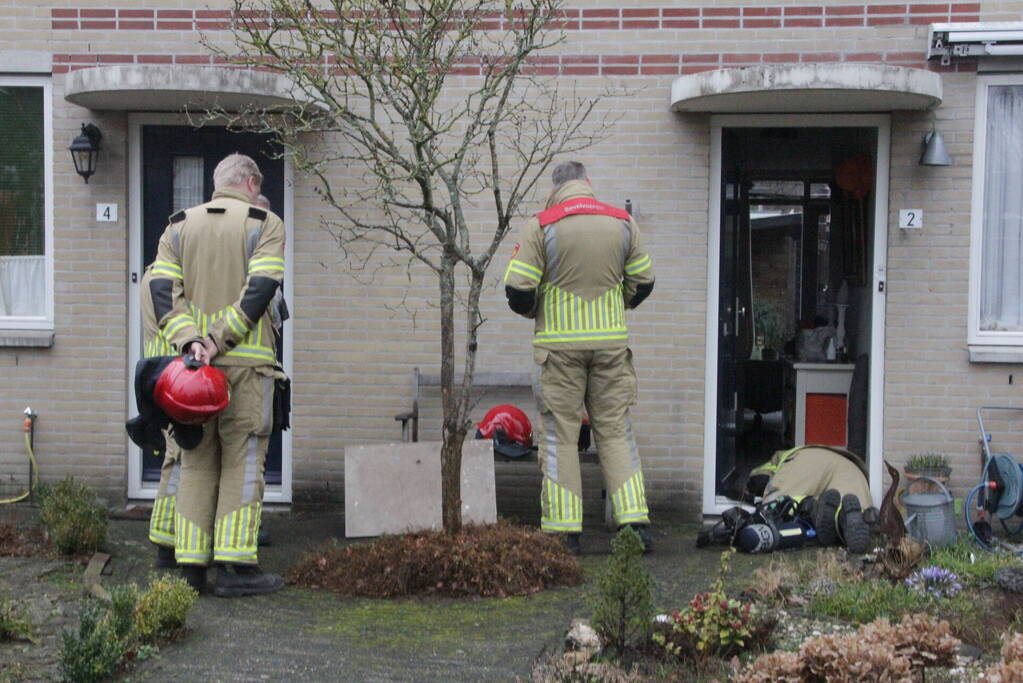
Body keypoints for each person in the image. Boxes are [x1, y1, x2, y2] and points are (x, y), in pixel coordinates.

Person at [150, 153, 286, 596]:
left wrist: (192, 343)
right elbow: (261, 289)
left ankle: (191, 565)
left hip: (193, 374)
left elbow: (163, 292)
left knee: (196, 460)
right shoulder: (263, 223)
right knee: (244, 461)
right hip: (246, 369)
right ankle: (235, 566)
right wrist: (219, 338)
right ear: (251, 184)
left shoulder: (177, 226)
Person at [503, 161, 656, 554]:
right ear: (588, 183)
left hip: (559, 352)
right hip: (611, 349)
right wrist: (615, 304)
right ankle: (634, 524)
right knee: (616, 431)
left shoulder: (541, 226)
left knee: (560, 437)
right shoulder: (623, 223)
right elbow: (644, 282)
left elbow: (518, 291)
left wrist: (540, 309)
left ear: (555, 188)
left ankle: (564, 534)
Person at [746, 445, 875, 554]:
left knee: (780, 506)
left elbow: (761, 482)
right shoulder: (813, 452)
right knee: (852, 506)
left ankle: (813, 509)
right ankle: (842, 519)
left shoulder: (781, 460)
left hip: (804, 463)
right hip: (853, 469)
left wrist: (760, 496)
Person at [139, 262, 180, 569]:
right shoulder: (168, 278)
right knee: (178, 457)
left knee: (175, 454)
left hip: (162, 375)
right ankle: (166, 540)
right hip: (173, 376)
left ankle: (166, 537)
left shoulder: (152, 273)